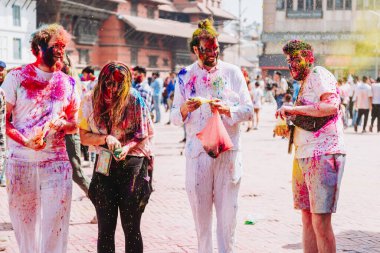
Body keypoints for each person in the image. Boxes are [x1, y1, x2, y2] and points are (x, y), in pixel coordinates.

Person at [171, 19, 253, 253]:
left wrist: (228, 109)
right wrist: (186, 108)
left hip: (228, 152)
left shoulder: (233, 72)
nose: (213, 53)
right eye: (207, 49)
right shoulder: (185, 76)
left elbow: (248, 109)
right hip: (198, 155)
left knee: (228, 218)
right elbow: (175, 116)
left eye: (216, 48)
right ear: (196, 49)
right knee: (201, 219)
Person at [2, 23, 79, 253]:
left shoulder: (68, 83)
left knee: (56, 223)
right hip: (21, 162)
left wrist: (63, 124)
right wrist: (26, 141)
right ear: (38, 47)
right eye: (56, 45)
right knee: (25, 226)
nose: (60, 50)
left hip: (56, 163)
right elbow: (3, 120)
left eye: (63, 46)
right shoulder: (16, 77)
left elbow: (77, 124)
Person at [276, 40, 345, 253]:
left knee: (320, 221)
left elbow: (331, 105)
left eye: (297, 59)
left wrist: (295, 110)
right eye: (289, 61)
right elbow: (311, 117)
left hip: (325, 154)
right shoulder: (304, 83)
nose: (292, 65)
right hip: (304, 154)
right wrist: (290, 123)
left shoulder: (318, 74)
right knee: (306, 218)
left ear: (310, 58)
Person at [79, 62, 154, 253]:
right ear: (101, 81)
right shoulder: (90, 99)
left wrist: (127, 146)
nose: (112, 89)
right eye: (108, 84)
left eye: (118, 86)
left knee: (131, 227)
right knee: (105, 227)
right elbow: (83, 136)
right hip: (104, 163)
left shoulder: (134, 98)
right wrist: (105, 138)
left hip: (133, 164)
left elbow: (144, 132)